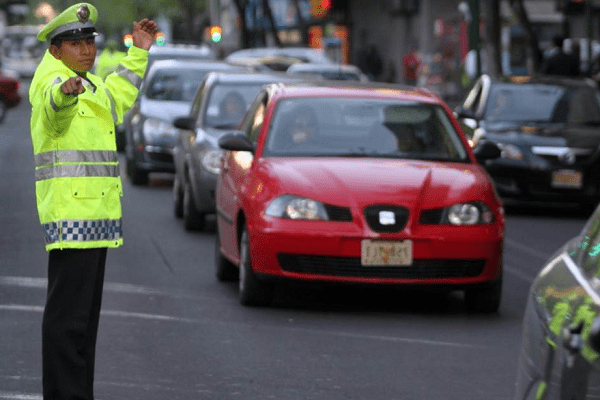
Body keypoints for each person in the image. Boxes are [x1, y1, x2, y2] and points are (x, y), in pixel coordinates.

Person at [28, 3, 157, 399]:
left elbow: (119, 95)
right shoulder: (53, 81)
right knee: (68, 324)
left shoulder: (90, 82)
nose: (86, 50)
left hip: (94, 220)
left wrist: (140, 50)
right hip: (72, 219)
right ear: (55, 49)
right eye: (75, 43)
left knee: (82, 324)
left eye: (89, 42)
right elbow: (53, 107)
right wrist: (64, 95)